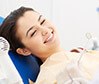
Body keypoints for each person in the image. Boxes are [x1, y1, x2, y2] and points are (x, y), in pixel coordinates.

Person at [0, 6, 99, 84]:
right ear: (24, 50)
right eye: (33, 32)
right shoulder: (50, 77)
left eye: (42, 21)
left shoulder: (80, 52)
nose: (45, 30)